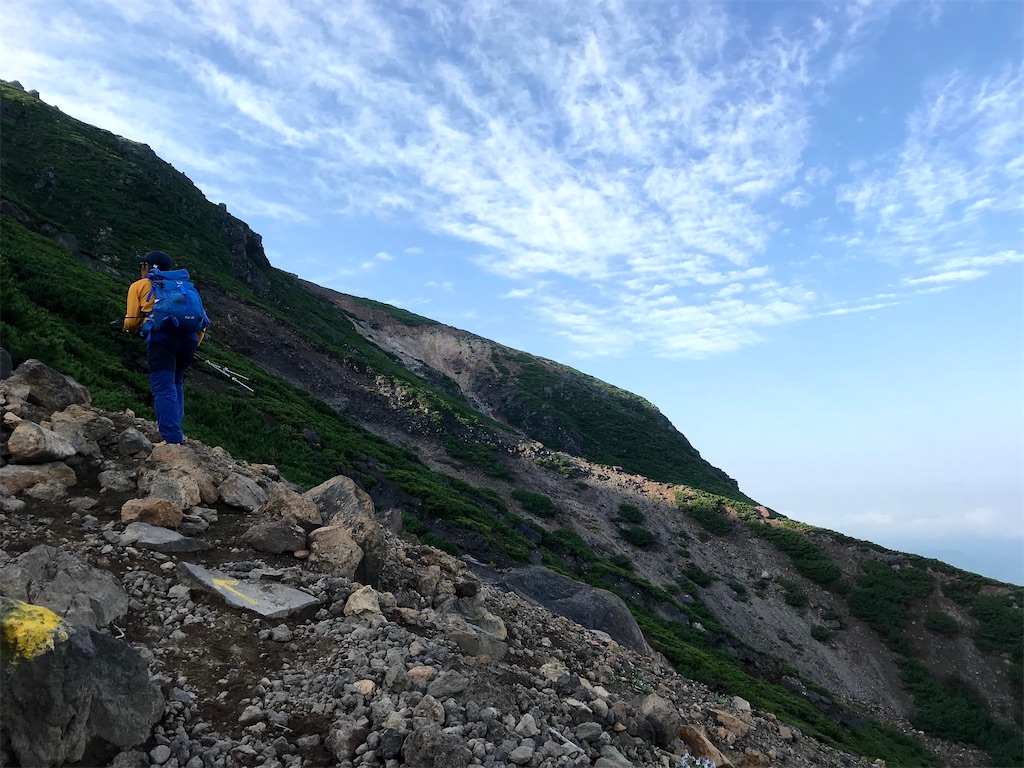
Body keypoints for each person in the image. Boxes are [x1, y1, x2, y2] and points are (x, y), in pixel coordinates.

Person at [123, 250, 208, 445]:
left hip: (162, 340)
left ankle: (172, 440)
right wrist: (192, 343)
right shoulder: (187, 288)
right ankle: (176, 433)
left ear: (147, 266)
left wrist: (132, 329)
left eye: (142, 266)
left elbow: (131, 322)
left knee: (163, 387)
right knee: (176, 382)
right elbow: (202, 322)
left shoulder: (140, 286)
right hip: (189, 341)